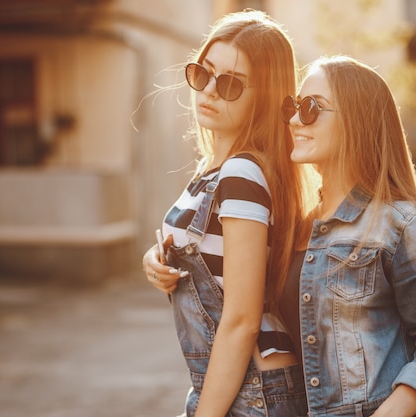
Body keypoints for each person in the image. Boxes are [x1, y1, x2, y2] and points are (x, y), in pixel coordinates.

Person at [141, 10, 317, 417]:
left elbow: (241, 317)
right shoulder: (214, 172)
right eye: (203, 74)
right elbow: (209, 260)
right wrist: (154, 261)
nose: (210, 92)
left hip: (255, 387)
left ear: (265, 97)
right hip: (230, 383)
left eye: (231, 84)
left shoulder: (242, 173)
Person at [279, 55, 416, 417]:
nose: (293, 119)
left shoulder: (399, 222)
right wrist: (162, 258)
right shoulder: (294, 228)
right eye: (293, 107)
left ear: (356, 120)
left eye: (310, 108)